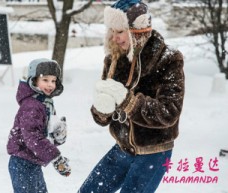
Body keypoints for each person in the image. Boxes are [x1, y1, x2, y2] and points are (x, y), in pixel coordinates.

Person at [78, 0, 185, 192]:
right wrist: (102, 110)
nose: (114, 38)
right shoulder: (114, 58)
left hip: (154, 152)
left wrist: (129, 102)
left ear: (138, 31)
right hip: (122, 147)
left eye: (120, 32)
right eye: (111, 31)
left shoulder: (168, 59)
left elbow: (169, 112)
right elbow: (103, 117)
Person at [7, 58, 71, 193]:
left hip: (32, 162)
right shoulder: (32, 106)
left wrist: (57, 137)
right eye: (45, 80)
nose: (50, 85)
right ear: (34, 80)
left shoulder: (45, 103)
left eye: (53, 81)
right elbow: (32, 138)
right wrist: (55, 157)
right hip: (21, 163)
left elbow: (42, 136)